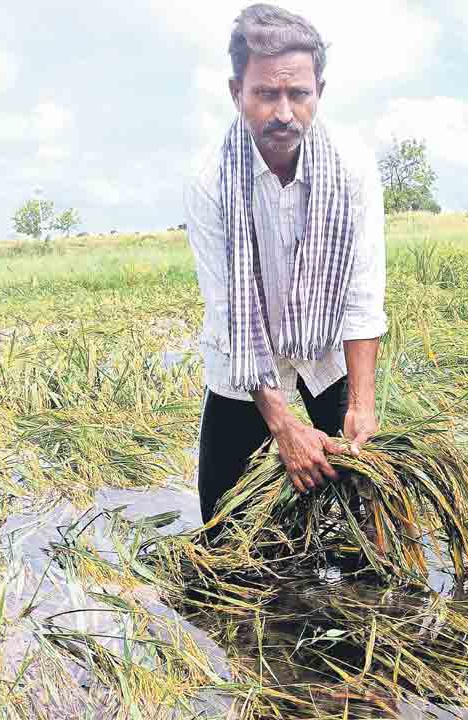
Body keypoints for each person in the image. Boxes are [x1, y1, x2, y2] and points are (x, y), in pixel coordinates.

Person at [184, 4, 386, 539]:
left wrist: (362, 407)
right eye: (265, 94)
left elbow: (363, 296)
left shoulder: (352, 167)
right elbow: (229, 316)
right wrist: (283, 426)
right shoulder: (210, 181)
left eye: (298, 94)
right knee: (222, 525)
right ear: (236, 92)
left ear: (319, 89)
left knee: (358, 516)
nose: (283, 112)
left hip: (323, 349)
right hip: (246, 356)